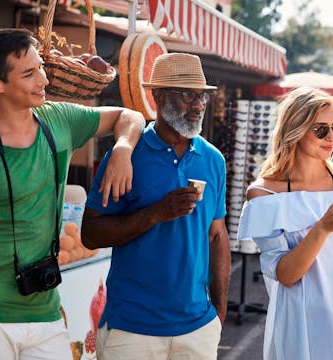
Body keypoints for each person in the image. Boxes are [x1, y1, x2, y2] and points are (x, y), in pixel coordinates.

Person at [0, 27, 145, 359]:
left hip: (45, 310)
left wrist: (122, 148)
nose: (44, 80)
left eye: (42, 68)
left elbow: (129, 116)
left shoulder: (59, 120)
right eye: (30, 73)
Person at [81, 52, 230, 360]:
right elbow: (91, 234)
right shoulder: (126, 155)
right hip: (132, 329)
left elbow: (217, 236)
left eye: (202, 96)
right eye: (189, 95)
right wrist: (155, 213)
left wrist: (219, 314)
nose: (199, 105)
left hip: (197, 328)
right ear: (159, 96)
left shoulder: (213, 159)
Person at [237, 87, 333, 360]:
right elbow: (286, 274)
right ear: (294, 130)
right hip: (301, 326)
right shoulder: (265, 195)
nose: (331, 137)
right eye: (320, 129)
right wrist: (321, 229)